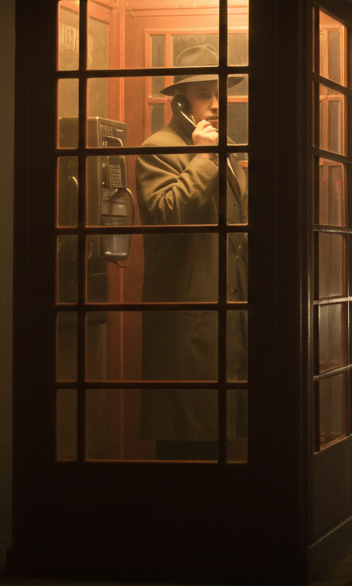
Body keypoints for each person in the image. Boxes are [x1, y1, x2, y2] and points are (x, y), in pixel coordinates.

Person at [136, 47, 248, 461]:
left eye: (218, 93)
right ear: (180, 100)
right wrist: (202, 158)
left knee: (223, 432)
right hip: (188, 317)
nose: (216, 104)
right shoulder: (158, 147)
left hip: (231, 308)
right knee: (187, 435)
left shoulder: (229, 147)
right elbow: (166, 213)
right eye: (204, 94)